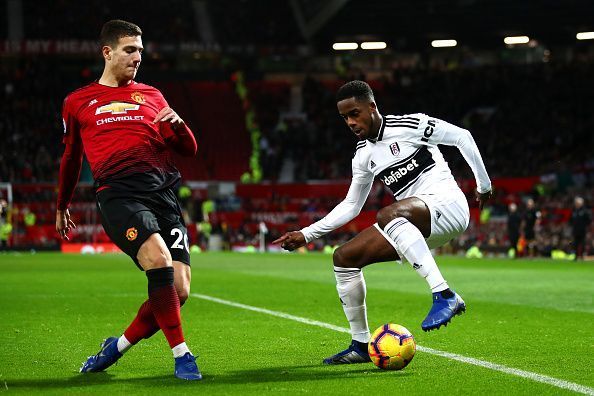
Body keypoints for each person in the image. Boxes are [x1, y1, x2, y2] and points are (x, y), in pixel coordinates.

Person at [273, 81, 492, 364]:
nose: (351, 122)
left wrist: (484, 186)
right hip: (413, 225)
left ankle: (444, 294)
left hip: (448, 205)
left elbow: (463, 136)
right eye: (345, 118)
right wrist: (307, 234)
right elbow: (352, 205)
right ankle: (361, 345)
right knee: (344, 258)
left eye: (355, 113)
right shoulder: (363, 155)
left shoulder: (412, 125)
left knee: (388, 215)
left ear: (372, 107)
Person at [56, 20, 201, 380]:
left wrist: (180, 125)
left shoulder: (153, 96)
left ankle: (115, 348)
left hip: (164, 195)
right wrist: (62, 205)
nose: (138, 57)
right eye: (129, 50)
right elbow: (71, 158)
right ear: (107, 52)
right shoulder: (78, 102)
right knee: (158, 259)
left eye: (140, 50)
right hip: (119, 194)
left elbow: (188, 149)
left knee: (178, 291)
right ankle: (183, 356)